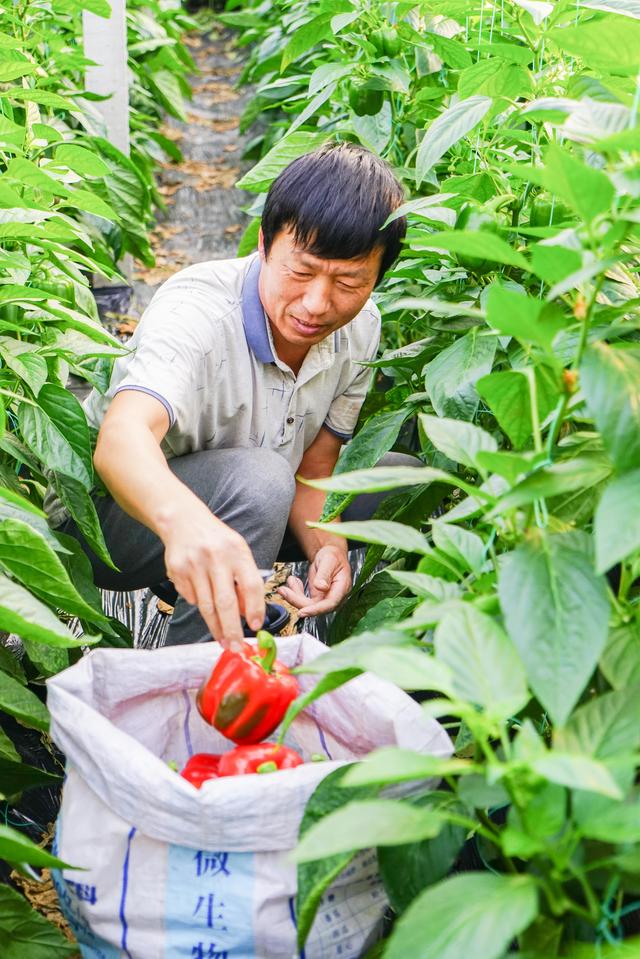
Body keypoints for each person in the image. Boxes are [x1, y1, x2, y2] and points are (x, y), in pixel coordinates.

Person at [53, 141, 407, 649]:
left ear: (377, 276)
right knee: (260, 480)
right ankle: (198, 688)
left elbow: (315, 467)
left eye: (349, 281)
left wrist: (327, 543)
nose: (317, 303)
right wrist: (189, 525)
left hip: (242, 509)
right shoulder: (194, 310)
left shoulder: (361, 328)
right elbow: (121, 440)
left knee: (405, 480)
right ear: (264, 243)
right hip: (105, 525)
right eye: (301, 270)